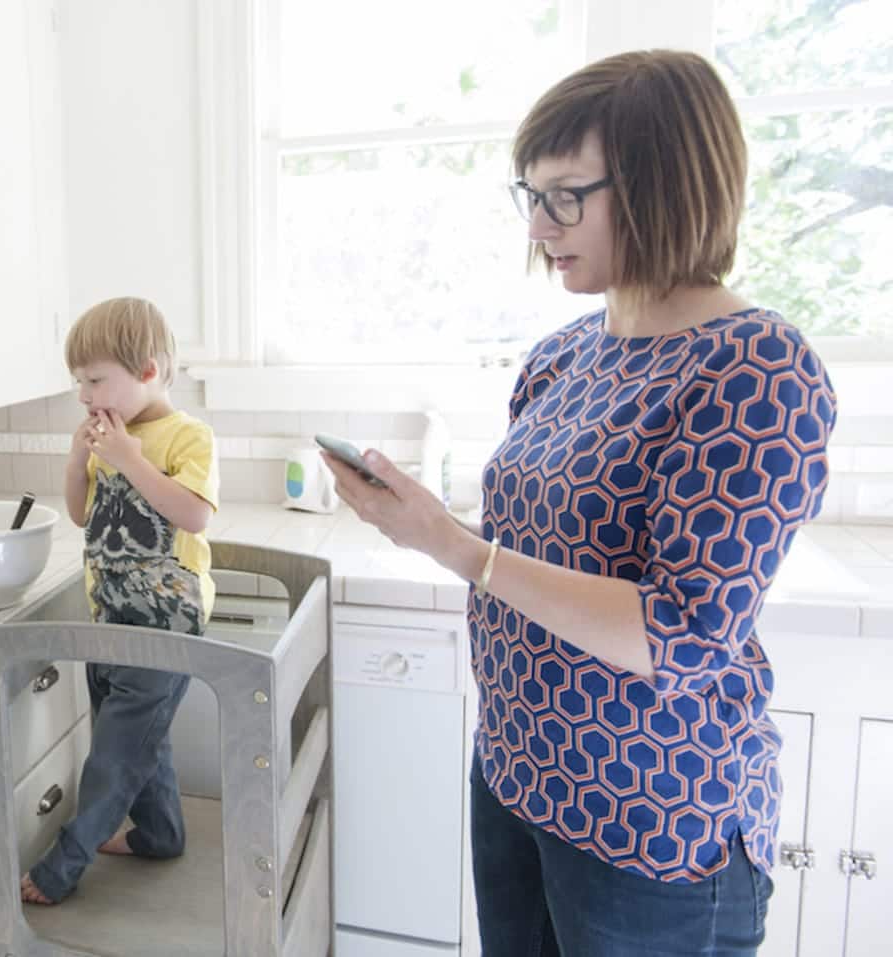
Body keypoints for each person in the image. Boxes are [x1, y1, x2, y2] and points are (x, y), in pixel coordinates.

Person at [322, 50, 836, 955]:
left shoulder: (757, 367)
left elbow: (682, 628)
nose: (538, 225)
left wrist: (455, 547)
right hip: (519, 778)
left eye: (566, 195)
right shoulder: (565, 354)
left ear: (662, 185)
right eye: (529, 194)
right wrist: (426, 527)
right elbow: (545, 555)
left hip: (652, 827)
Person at [21, 296, 220, 905]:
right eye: (79, 381)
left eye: (96, 379)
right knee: (135, 739)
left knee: (111, 756)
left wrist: (130, 458)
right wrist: (81, 457)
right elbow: (82, 516)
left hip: (164, 625)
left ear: (148, 372)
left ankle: (62, 867)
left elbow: (194, 514)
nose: (84, 395)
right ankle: (160, 834)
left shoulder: (187, 436)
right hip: (109, 615)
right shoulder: (109, 437)